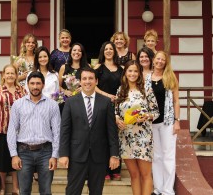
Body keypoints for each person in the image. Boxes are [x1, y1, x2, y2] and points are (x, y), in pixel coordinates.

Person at [59, 67, 120, 195]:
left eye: (91, 78)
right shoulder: (70, 102)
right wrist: (64, 154)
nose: (88, 81)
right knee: (72, 191)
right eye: (84, 79)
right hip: (77, 155)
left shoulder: (106, 102)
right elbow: (65, 130)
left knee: (96, 191)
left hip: (99, 156)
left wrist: (114, 154)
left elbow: (111, 131)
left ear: (96, 81)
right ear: (80, 82)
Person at [7, 71, 61, 195]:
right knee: (24, 191)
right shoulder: (18, 105)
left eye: (38, 83)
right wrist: (14, 155)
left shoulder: (52, 105)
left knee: (46, 191)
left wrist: (54, 155)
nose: (35, 86)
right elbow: (12, 130)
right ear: (27, 85)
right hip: (24, 152)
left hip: (46, 152)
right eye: (32, 83)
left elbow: (57, 132)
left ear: (43, 85)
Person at [115, 60, 159, 195]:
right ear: (125, 73)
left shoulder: (146, 89)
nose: (132, 74)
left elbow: (156, 112)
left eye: (135, 71)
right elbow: (116, 111)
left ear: (139, 73)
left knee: (145, 174)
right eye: (130, 71)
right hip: (126, 137)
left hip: (143, 137)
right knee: (134, 175)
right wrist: (116, 119)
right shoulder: (121, 90)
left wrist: (147, 116)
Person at [146, 51, 181, 195]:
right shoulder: (147, 78)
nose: (160, 61)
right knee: (157, 156)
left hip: (167, 122)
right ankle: (158, 188)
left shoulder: (170, 77)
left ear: (166, 62)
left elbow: (176, 101)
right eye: (158, 59)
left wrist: (177, 121)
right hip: (152, 122)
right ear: (153, 60)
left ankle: (167, 190)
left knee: (168, 156)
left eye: (163, 59)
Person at [0, 64, 26, 195]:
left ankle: (16, 188)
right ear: (3, 75)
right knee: (2, 161)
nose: (10, 75)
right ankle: (3, 187)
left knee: (16, 160)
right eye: (8, 73)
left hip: (19, 132)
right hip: (1, 130)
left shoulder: (22, 91)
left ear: (16, 75)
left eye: (13, 73)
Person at [94, 41, 123, 181]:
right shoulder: (98, 68)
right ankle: (104, 169)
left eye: (111, 49)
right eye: (106, 49)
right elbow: (93, 86)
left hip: (118, 105)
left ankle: (116, 168)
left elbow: (126, 85)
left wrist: (119, 97)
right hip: (102, 104)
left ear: (114, 51)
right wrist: (107, 96)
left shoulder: (121, 68)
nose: (109, 51)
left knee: (116, 137)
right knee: (103, 137)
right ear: (102, 52)